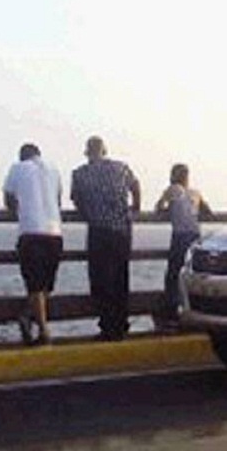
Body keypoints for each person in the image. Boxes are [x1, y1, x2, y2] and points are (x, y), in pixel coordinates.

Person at [70, 136, 141, 341]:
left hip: (99, 231)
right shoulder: (121, 167)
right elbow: (135, 186)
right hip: (122, 230)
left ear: (87, 153)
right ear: (104, 150)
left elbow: (77, 199)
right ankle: (121, 323)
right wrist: (134, 209)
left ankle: (107, 325)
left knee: (101, 279)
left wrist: (88, 213)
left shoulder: (80, 173)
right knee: (120, 277)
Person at [3, 144, 63, 345]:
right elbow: (58, 198)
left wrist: (17, 209)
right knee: (46, 285)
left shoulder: (18, 168)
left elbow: (9, 198)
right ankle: (30, 317)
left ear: (22, 156)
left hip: (31, 231)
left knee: (34, 285)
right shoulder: (54, 168)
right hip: (55, 232)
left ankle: (43, 331)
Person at [154, 163, 211, 332]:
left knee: (173, 276)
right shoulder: (195, 193)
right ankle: (195, 312)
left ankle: (171, 315)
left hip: (180, 236)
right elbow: (207, 211)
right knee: (191, 275)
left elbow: (158, 208)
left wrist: (167, 210)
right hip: (195, 236)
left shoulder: (173, 189)